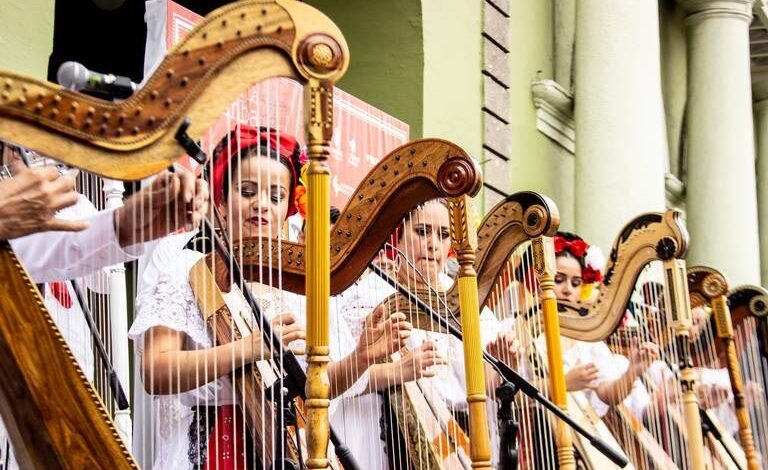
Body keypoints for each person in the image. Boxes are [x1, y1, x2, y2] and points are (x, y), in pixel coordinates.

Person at [129, 125, 409, 469]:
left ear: (286, 209)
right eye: (247, 191)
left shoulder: (291, 286)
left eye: (275, 196)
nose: (261, 204)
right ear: (221, 198)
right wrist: (248, 348)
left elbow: (313, 393)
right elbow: (156, 371)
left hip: (288, 453)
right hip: (212, 450)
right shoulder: (187, 268)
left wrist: (362, 357)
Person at [332, 199, 520, 468]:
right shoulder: (369, 296)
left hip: (454, 441)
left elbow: (478, 387)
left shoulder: (462, 298)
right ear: (397, 237)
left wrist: (500, 367)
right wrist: (399, 371)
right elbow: (341, 378)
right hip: (382, 436)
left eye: (443, 235)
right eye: (422, 232)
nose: (433, 244)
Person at [550, 232, 659, 419]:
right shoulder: (519, 329)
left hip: (578, 435)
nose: (567, 290)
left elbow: (608, 394)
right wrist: (562, 383)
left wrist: (632, 372)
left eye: (575, 283)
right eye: (558, 280)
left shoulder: (588, 341)